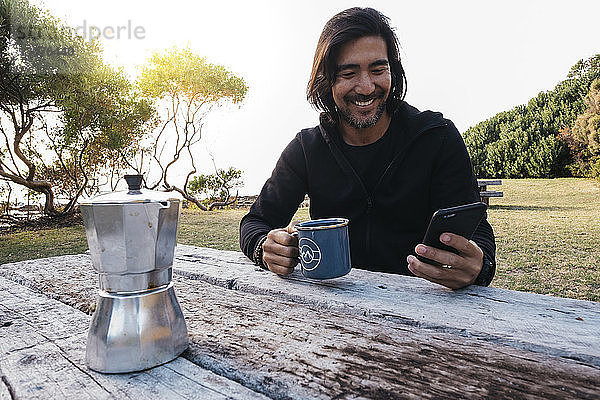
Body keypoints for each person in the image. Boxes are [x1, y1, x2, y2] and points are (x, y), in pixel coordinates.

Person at [239, 7, 496, 289]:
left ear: (392, 71)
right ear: (327, 80)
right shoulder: (306, 148)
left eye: (378, 69)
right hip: (334, 309)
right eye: (348, 73)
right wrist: (265, 247)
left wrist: (479, 266)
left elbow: (478, 230)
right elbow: (255, 222)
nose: (365, 87)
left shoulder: (438, 137)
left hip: (424, 308)